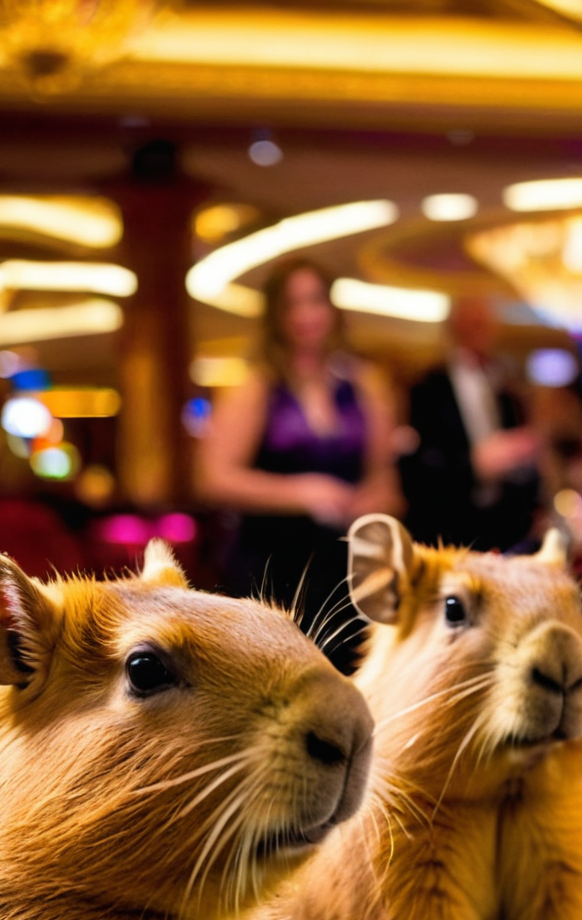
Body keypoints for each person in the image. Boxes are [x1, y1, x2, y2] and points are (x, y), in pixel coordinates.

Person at [198, 256, 402, 669]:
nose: (306, 315)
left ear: (332, 309)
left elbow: (386, 478)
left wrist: (372, 499)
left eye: (315, 301)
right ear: (276, 316)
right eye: (293, 304)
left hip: (348, 565)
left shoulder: (366, 384)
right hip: (273, 566)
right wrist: (303, 492)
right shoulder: (255, 387)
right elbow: (213, 478)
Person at [399, 296, 540, 552]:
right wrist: (473, 465)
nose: (479, 331)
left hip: (502, 528)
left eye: (484, 323)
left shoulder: (506, 385)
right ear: (454, 328)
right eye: (471, 323)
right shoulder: (428, 386)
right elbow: (417, 469)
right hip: (447, 526)